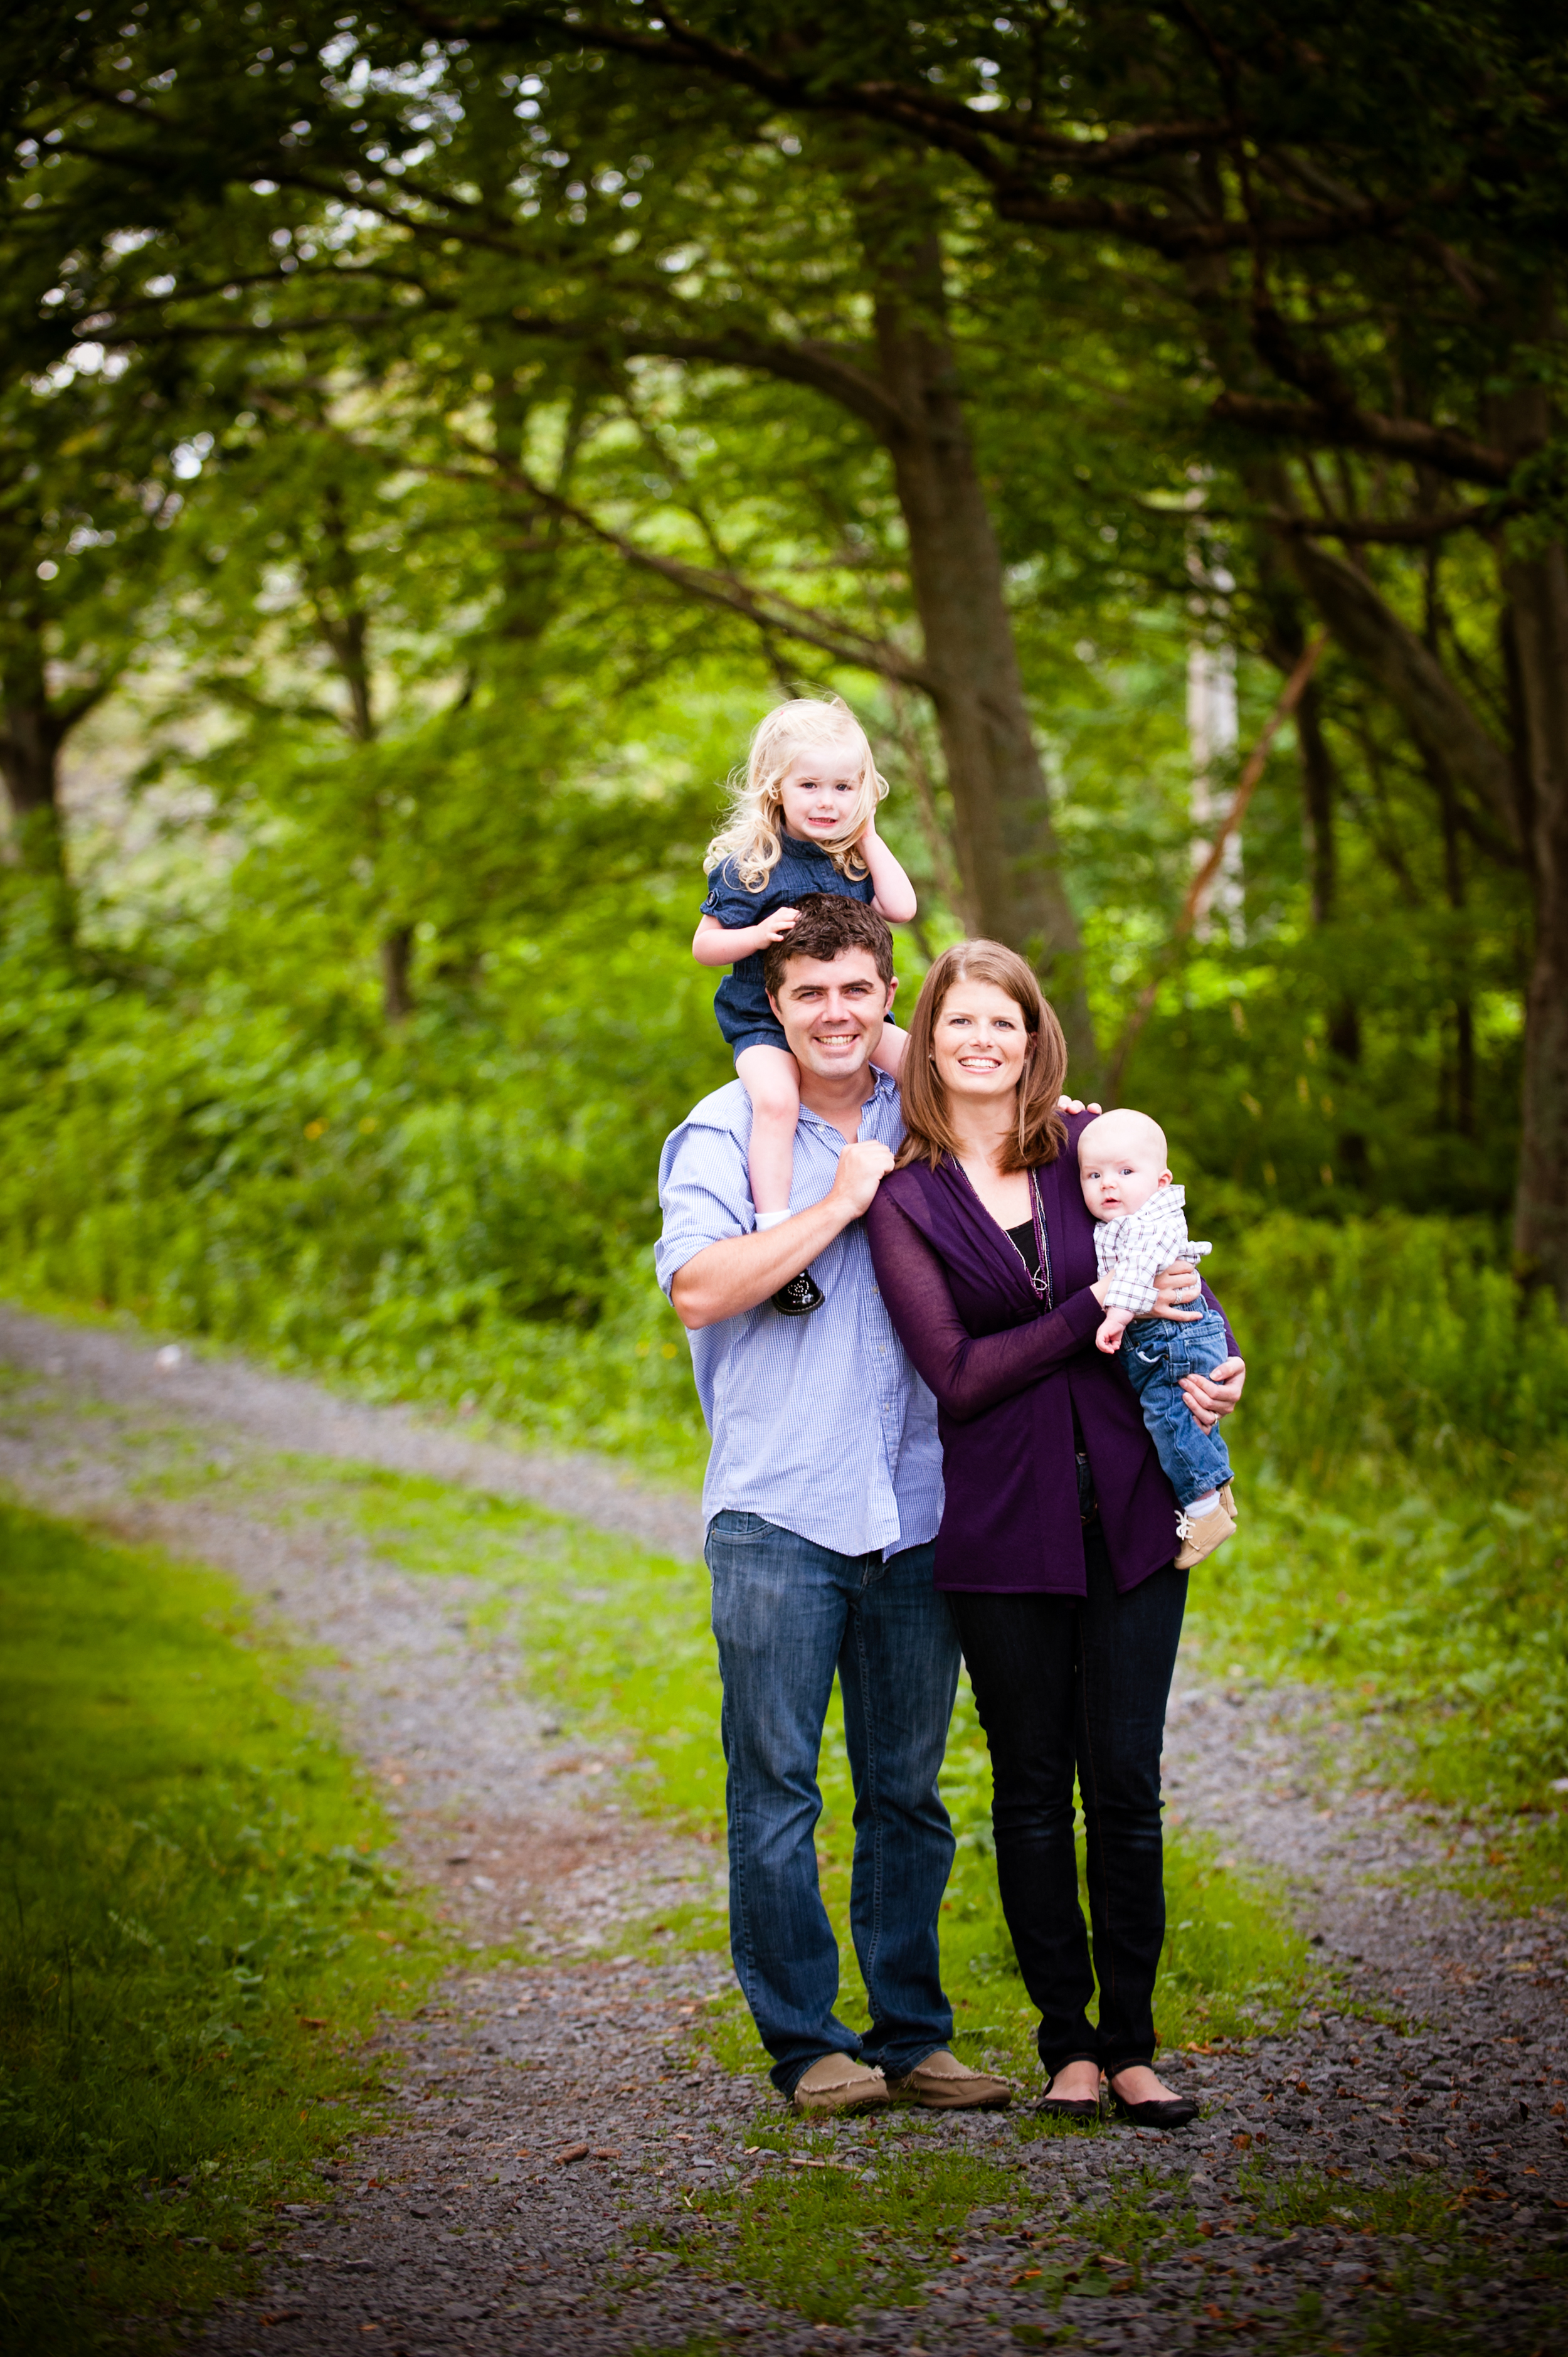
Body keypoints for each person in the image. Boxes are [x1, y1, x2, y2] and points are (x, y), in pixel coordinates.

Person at [864, 942, 1246, 2129]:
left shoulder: (1092, 1149)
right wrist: (1092, 1310)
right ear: (926, 1041)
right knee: (1033, 1790)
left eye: (1006, 1022)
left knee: (1126, 1784)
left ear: (1035, 1040)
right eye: (959, 1021)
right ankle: (1066, 2046)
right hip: (999, 1532)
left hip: (1132, 1514)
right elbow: (961, 1376)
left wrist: (1215, 1369)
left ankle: (1132, 2045)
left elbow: (1176, 1282)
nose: (983, 1040)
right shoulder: (903, 1198)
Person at [656, 894, 1010, 2119]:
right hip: (777, 1513)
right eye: (807, 993)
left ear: (885, 994)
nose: (834, 1012)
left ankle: (911, 2034)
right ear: (771, 1000)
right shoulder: (719, 1131)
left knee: (907, 1792)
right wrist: (838, 1205)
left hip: (918, 1511)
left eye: (856, 988)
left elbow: (1077, 1208)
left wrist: (1185, 1338)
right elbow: (700, 1289)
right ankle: (807, 2043)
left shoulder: (936, 1130)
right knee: (776, 1793)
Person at [692, 697, 918, 1316]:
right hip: (763, 1018)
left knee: (926, 1065)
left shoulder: (850, 857)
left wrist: (869, 834)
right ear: (777, 789)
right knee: (777, 1100)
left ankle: (978, 1176)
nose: (827, 801)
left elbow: (901, 908)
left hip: (846, 1012)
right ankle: (774, 1230)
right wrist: (756, 936)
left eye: (844, 787)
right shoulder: (753, 868)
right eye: (810, 784)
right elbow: (705, 945)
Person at [1079, 1107, 1237, 1570]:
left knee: (1168, 1414)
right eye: (1094, 1175)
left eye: (1126, 1172)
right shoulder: (1125, 1217)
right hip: (1178, 1332)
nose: (1109, 1184)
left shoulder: (1152, 1220)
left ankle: (1204, 1512)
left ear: (1162, 1180)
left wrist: (1116, 1315)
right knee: (1189, 1413)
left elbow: (1134, 1272)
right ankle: (1219, 1492)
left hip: (1168, 1333)